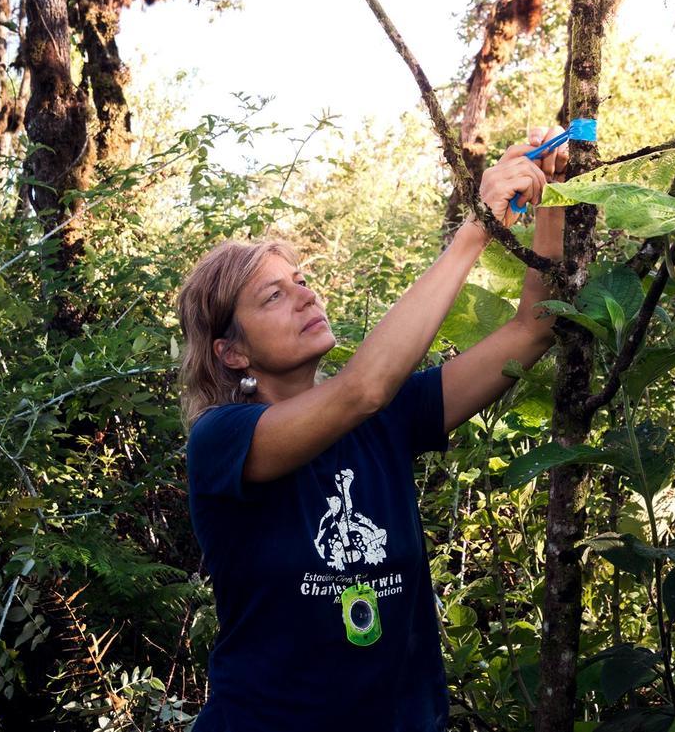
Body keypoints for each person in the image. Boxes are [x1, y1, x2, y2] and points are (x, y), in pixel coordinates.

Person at [175, 126, 568, 731]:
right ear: (232, 353)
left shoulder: (387, 418)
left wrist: (553, 194)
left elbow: (534, 328)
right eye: (273, 297)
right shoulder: (223, 439)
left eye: (301, 280)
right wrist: (476, 228)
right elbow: (363, 387)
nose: (305, 297)